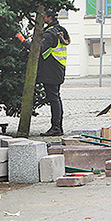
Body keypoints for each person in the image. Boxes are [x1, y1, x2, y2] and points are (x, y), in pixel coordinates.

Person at [16, 8, 70, 136]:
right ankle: (57, 127)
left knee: (54, 99)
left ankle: (56, 128)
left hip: (51, 71)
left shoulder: (50, 34)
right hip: (57, 69)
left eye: (43, 16)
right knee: (56, 98)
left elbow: (36, 48)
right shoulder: (60, 30)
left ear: (49, 18)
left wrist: (22, 40)